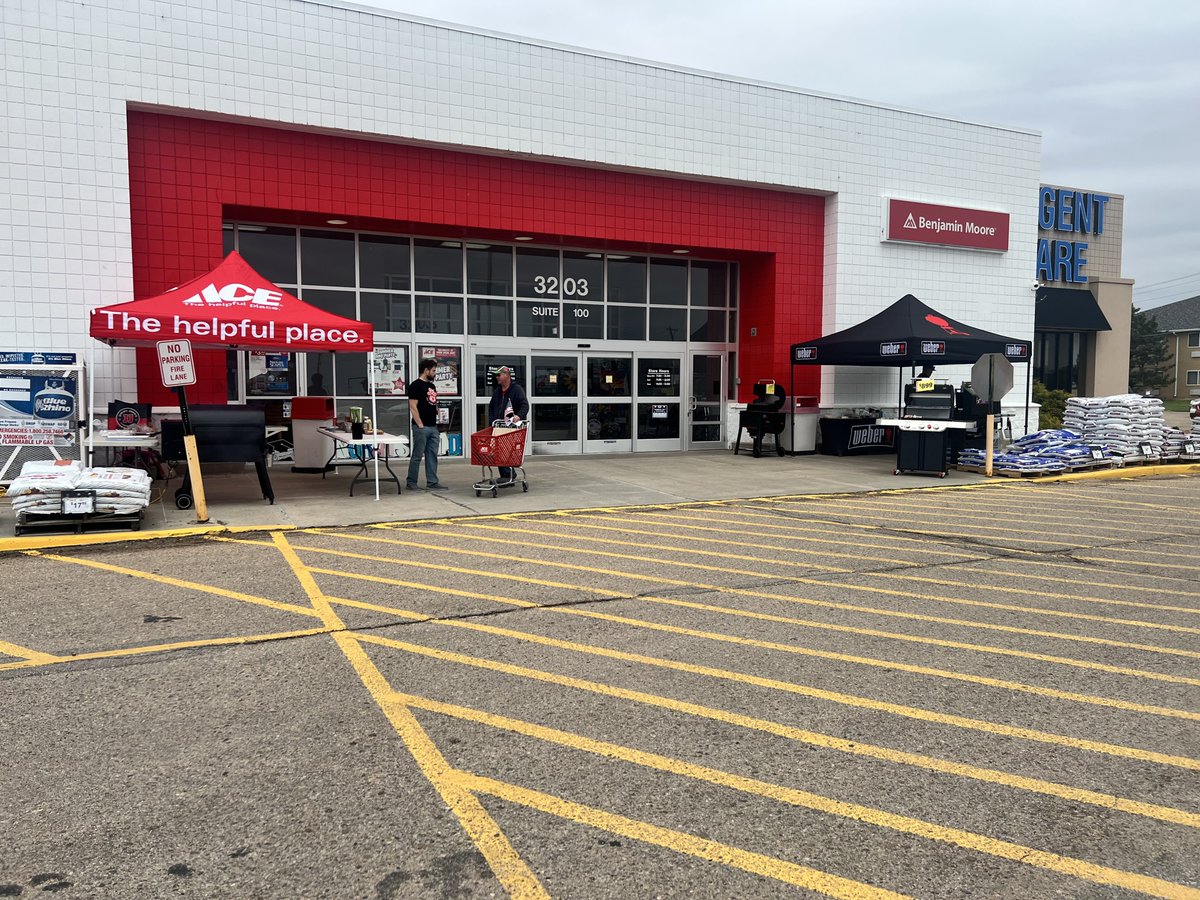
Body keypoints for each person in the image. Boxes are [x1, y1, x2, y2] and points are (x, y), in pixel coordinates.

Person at [406, 357, 447, 491]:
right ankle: (411, 482)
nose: (435, 373)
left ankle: (432, 482)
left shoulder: (431, 386)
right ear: (426, 370)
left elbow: (431, 403)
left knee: (432, 455)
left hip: (433, 426)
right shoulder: (415, 386)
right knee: (417, 455)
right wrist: (420, 425)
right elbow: (413, 406)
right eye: (433, 370)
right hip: (421, 427)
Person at [487, 365, 529, 485]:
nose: (497, 378)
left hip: (512, 427)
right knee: (497, 449)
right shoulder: (498, 391)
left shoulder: (516, 389)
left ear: (507, 375)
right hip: (499, 426)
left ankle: (508, 474)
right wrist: (492, 421)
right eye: (496, 376)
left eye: (499, 375)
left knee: (504, 450)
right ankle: (506, 475)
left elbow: (524, 405)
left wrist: (518, 416)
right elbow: (491, 406)